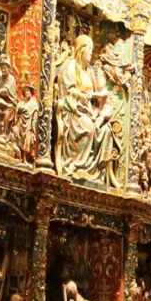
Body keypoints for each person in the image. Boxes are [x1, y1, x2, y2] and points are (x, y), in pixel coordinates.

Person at [54, 34, 119, 187]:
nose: (91, 53)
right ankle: (76, 165)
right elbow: (68, 90)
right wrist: (81, 96)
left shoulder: (89, 72)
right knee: (88, 126)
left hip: (88, 112)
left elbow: (99, 97)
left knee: (106, 131)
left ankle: (95, 174)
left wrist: (98, 109)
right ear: (81, 50)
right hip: (74, 111)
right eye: (89, 50)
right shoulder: (70, 66)